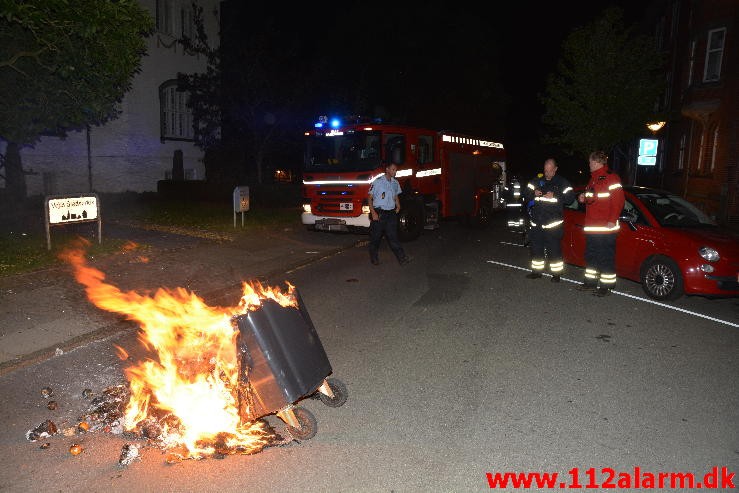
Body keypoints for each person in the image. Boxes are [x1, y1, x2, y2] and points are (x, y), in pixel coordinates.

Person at [576, 150, 625, 296]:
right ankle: (590, 282)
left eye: (590, 162)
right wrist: (583, 198)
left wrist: (612, 220)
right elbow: (593, 199)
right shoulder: (593, 179)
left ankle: (606, 286)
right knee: (591, 256)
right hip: (592, 227)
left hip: (605, 228)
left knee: (605, 258)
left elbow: (619, 201)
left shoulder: (612, 178)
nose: (589, 164)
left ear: (597, 162)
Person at [522, 158, 574, 282]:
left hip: (553, 225)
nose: (547, 174)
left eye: (550, 171)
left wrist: (555, 195)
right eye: (545, 171)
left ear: (555, 169)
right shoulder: (537, 181)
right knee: (536, 249)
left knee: (554, 251)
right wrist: (533, 192)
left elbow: (570, 198)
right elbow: (525, 194)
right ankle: (536, 272)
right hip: (537, 224)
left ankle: (556, 275)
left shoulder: (562, 183)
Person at [368, 163, 412, 266]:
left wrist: (398, 206)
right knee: (376, 237)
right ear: (387, 170)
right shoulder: (378, 182)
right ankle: (374, 257)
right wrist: (373, 212)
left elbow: (395, 195)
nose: (395, 172)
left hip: (391, 214)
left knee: (393, 237)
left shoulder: (395, 183)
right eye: (393, 169)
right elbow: (369, 198)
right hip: (380, 213)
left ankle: (402, 258)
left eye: (396, 170)